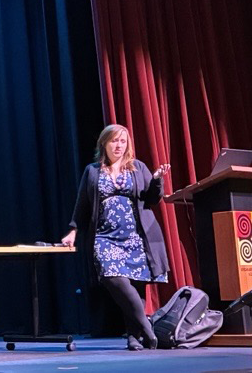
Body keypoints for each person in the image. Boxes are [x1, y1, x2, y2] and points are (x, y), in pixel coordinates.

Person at [61, 124, 171, 350]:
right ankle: (146, 326)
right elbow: (82, 205)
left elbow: (151, 199)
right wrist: (73, 231)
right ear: (104, 143)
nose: (118, 145)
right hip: (105, 237)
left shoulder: (137, 168)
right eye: (114, 141)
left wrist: (157, 180)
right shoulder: (93, 171)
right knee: (112, 277)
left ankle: (133, 337)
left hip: (137, 235)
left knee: (136, 285)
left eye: (122, 141)